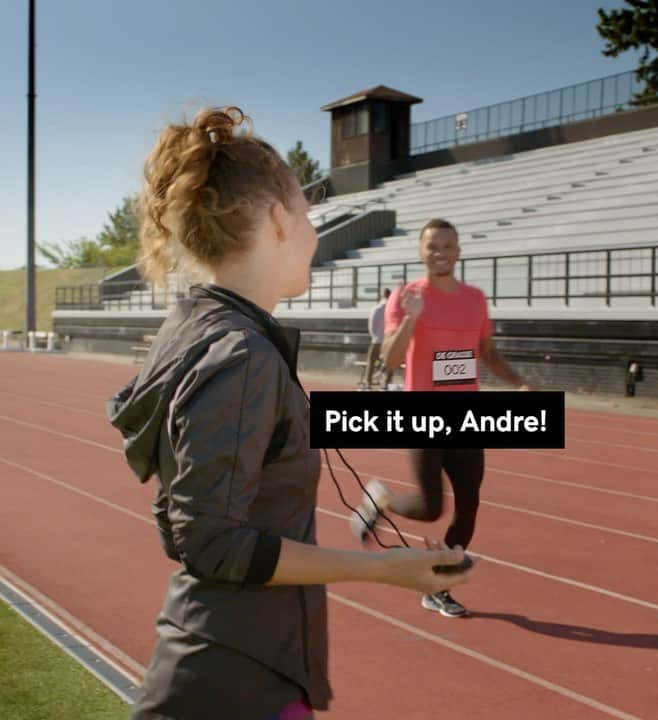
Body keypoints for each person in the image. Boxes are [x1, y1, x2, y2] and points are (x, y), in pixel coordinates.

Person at [107, 108, 473, 720]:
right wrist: (386, 568)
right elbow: (211, 541)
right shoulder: (241, 353)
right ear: (279, 220)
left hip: (244, 664)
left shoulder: (206, 327)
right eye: (308, 213)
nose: (312, 230)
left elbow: (188, 521)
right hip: (234, 679)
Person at [351, 218, 527, 619]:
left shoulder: (475, 299)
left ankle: (439, 587)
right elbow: (389, 363)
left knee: (468, 508)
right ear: (421, 252)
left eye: (448, 246)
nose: (441, 253)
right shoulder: (406, 295)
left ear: (459, 251)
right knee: (431, 508)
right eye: (433, 247)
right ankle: (382, 501)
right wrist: (412, 316)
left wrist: (519, 384)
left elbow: (486, 352)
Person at [362, 287, 393, 388]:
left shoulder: (376, 309)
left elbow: (372, 326)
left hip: (377, 340)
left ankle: (368, 382)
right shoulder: (392, 308)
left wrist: (375, 336)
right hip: (388, 340)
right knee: (388, 362)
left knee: (371, 361)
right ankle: (386, 383)